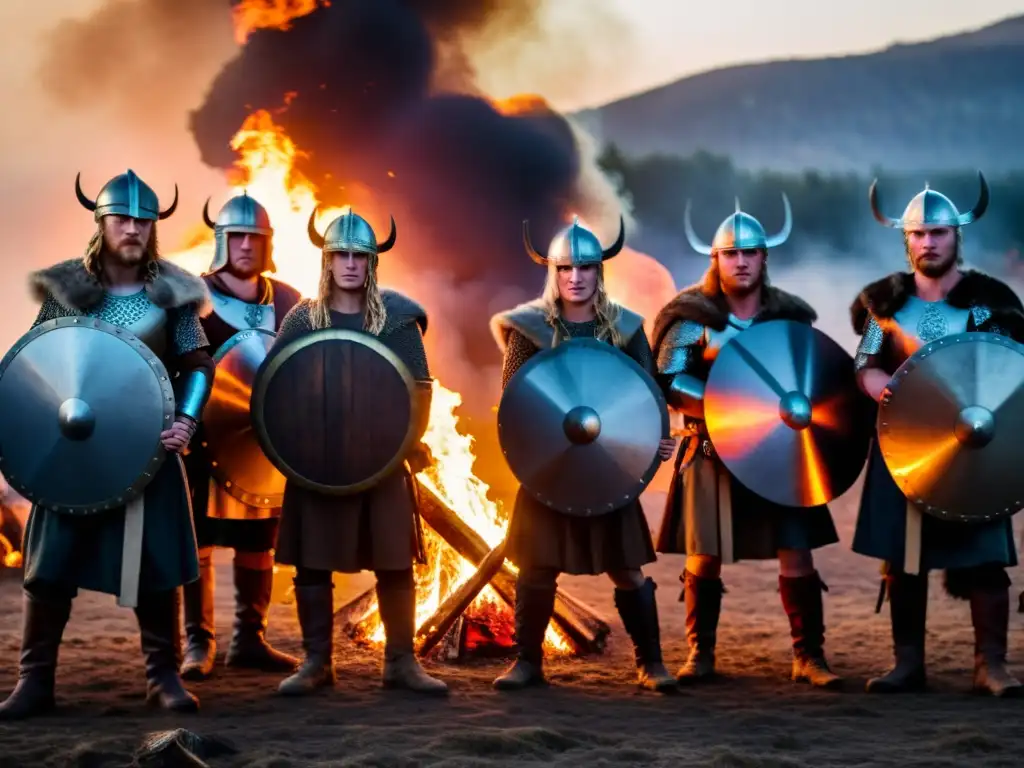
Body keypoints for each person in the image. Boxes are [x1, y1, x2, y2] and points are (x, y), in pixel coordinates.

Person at [0, 170, 213, 719]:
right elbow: (35, 364)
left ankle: (161, 677)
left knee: (156, 566)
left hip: (148, 452)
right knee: (49, 567)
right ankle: (34, 680)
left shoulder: (174, 294)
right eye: (122, 217)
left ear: (153, 227)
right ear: (101, 222)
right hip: (70, 452)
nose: (133, 227)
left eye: (144, 219)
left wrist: (185, 422)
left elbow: (197, 365)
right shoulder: (67, 290)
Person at [651, 197, 841, 688]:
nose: (740, 261)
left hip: (781, 449)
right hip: (711, 447)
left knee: (796, 550)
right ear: (715, 259)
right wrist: (724, 402)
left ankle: (808, 657)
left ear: (763, 258)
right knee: (704, 554)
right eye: (730, 254)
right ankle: (701, 654)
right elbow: (669, 379)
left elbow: (807, 372)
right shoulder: (692, 316)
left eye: (749, 253)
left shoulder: (788, 316)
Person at [851, 174, 1024, 696]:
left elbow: (1009, 372)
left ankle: (989, 665)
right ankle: (908, 665)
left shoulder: (986, 302)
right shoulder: (885, 306)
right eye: (920, 234)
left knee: (985, 557)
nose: (929, 242)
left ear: (957, 236)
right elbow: (865, 365)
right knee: (905, 558)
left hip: (977, 446)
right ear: (906, 239)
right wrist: (885, 386)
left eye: (939, 233)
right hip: (902, 445)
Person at [489, 216, 678, 693]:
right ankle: (527, 663)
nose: (576, 277)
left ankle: (649, 662)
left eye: (586, 267)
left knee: (627, 569)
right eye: (566, 267)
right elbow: (517, 403)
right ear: (552, 272)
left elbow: (645, 396)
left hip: (608, 467)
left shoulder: (625, 328)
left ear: (600, 272)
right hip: (550, 468)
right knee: (535, 567)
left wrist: (655, 438)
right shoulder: (528, 330)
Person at [269, 208, 447, 696]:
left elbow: (419, 391)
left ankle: (401, 662)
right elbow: (275, 388)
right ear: (326, 261)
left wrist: (399, 446)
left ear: (373, 263)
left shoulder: (397, 320)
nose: (350, 263)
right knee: (312, 563)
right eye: (340, 255)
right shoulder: (303, 318)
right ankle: (316, 662)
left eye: (359, 256)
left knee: (393, 562)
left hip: (382, 459)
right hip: (317, 461)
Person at [179, 193, 302, 680]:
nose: (246, 245)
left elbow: (302, 369)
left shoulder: (291, 301)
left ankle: (249, 640)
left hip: (262, 448)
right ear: (221, 241)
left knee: (259, 543)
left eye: (256, 237)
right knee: (198, 544)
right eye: (237, 236)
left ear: (267, 244)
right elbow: (176, 364)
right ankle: (198, 643)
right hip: (200, 442)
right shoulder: (193, 299)